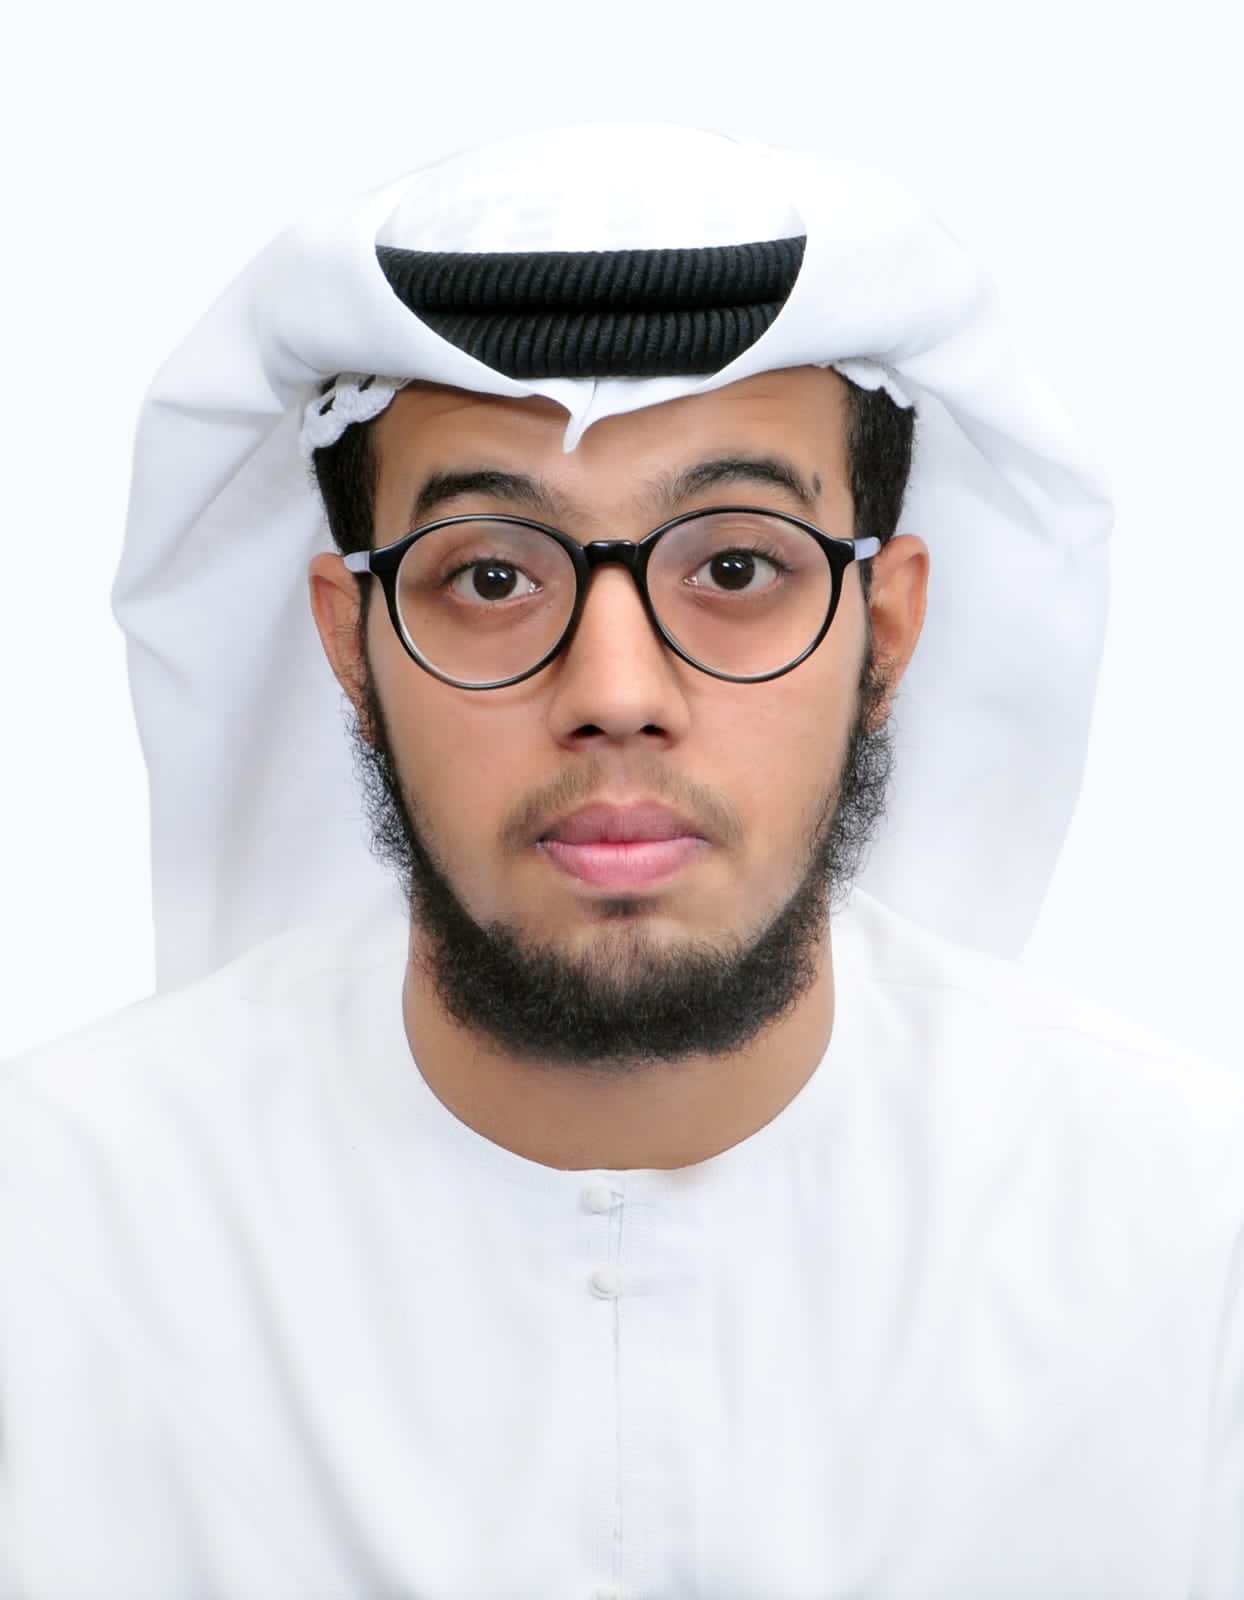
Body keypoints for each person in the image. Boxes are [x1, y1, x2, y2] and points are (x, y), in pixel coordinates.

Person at [2, 124, 1241, 1598]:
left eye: (735, 567)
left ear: (889, 628)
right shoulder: (54, 1235)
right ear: (349, 642)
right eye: (491, 575)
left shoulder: (1183, 1239)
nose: (615, 689)